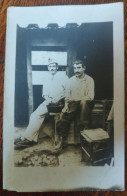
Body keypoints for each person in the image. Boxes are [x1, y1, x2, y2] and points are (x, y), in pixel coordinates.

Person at [15, 62, 68, 150]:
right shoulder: (46, 78)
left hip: (59, 103)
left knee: (46, 116)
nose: (52, 68)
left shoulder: (64, 77)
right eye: (50, 66)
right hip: (49, 102)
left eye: (54, 66)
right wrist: (48, 99)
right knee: (34, 115)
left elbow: (67, 91)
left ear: (57, 67)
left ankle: (27, 138)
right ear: (48, 68)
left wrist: (58, 99)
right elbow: (44, 94)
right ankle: (29, 138)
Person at [55, 59, 95, 150]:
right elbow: (67, 97)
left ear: (84, 68)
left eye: (79, 68)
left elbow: (90, 97)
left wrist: (75, 99)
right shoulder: (70, 80)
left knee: (83, 103)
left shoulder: (89, 80)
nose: (76, 70)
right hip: (73, 105)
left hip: (85, 105)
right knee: (63, 116)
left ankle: (85, 140)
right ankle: (62, 140)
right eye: (75, 68)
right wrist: (65, 106)